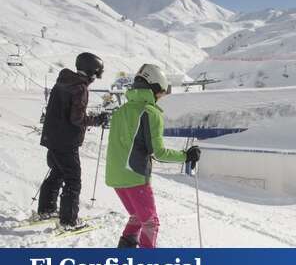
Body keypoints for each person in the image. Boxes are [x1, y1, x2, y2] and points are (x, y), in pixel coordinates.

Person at [105, 64, 201, 248]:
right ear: (154, 88)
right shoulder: (150, 113)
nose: (161, 97)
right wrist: (186, 156)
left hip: (115, 176)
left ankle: (125, 250)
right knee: (150, 223)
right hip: (134, 177)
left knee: (137, 216)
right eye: (161, 93)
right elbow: (159, 153)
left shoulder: (120, 111)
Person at [37, 52, 107, 230]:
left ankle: (46, 208)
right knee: (73, 179)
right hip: (66, 141)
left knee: (57, 172)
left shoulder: (63, 82)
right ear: (92, 72)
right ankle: (68, 221)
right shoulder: (79, 88)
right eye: (96, 74)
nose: (94, 79)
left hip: (52, 137)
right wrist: (96, 120)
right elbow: (77, 119)